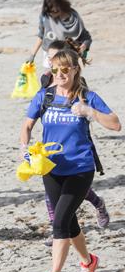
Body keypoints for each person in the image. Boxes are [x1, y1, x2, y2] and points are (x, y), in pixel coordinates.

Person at [19, 49, 120, 272]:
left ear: (75, 69)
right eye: (55, 70)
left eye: (65, 69)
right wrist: (24, 148)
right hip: (50, 168)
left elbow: (116, 124)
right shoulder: (45, 96)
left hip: (80, 169)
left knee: (60, 221)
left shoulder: (87, 97)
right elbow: (27, 125)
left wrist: (89, 112)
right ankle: (88, 261)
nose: (60, 74)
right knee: (69, 221)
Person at [38, 40, 109, 246]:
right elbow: (37, 112)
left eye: (59, 63)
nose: (55, 69)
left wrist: (88, 112)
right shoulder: (45, 82)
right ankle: (58, 229)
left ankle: (96, 205)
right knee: (54, 200)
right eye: (50, 61)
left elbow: (113, 123)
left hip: (77, 158)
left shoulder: (81, 89)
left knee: (77, 194)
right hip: (51, 158)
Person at [28, 0, 92, 70]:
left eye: (55, 11)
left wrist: (82, 49)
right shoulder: (45, 16)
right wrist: (32, 55)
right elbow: (41, 35)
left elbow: (86, 38)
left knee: (65, 75)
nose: (52, 14)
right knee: (49, 75)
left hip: (66, 57)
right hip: (49, 53)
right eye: (50, 11)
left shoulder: (73, 18)